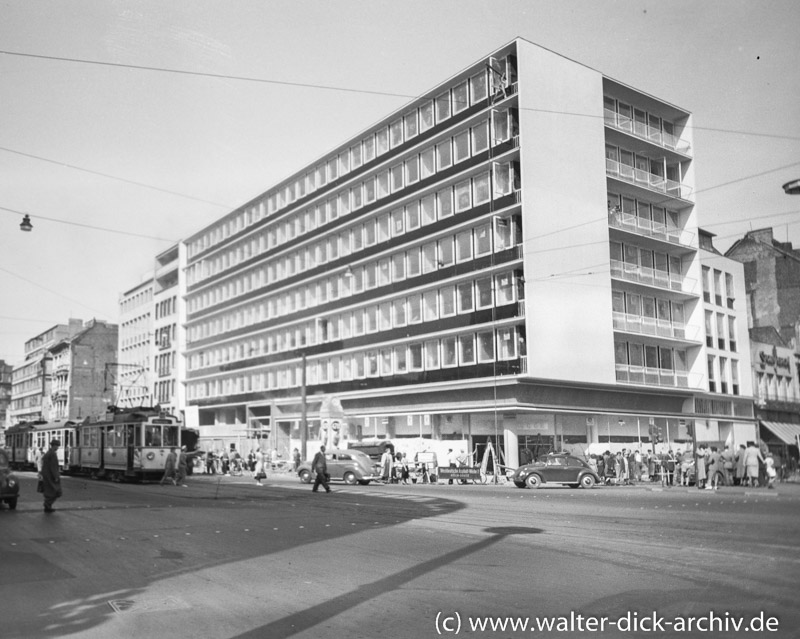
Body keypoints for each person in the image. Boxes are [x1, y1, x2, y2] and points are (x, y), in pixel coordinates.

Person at [41, 439, 63, 513]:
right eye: (57, 446)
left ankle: (47, 505)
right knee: (56, 491)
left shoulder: (48, 453)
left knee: (50, 491)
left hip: (46, 475)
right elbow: (53, 466)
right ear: (54, 446)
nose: (57, 447)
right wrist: (56, 476)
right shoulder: (52, 454)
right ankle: (47, 505)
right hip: (50, 476)